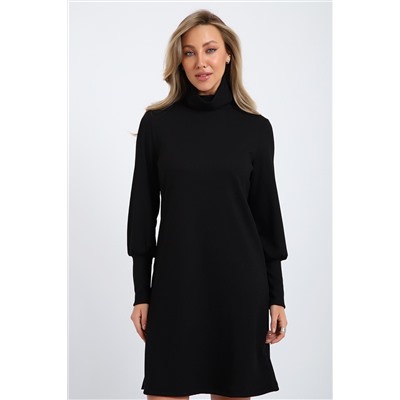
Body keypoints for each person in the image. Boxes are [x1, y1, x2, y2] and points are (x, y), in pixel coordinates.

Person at [127, 9, 289, 400]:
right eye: (190, 52)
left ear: (228, 55)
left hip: (239, 289)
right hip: (175, 286)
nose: (201, 62)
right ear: (180, 61)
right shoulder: (157, 125)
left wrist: (276, 297)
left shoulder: (255, 129)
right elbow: (142, 212)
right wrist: (141, 292)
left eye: (210, 50)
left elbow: (266, 216)